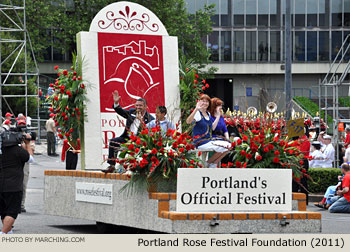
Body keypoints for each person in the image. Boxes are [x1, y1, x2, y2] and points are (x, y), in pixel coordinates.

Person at [103, 90, 154, 173]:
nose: (138, 107)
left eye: (140, 105)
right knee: (113, 141)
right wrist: (116, 103)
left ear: (145, 107)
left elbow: (148, 133)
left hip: (139, 142)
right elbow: (120, 111)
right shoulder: (131, 112)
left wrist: (141, 121)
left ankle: (134, 168)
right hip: (127, 139)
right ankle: (111, 166)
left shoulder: (150, 119)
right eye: (136, 105)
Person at [0, 131, 34, 234]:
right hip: (14, 186)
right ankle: (3, 234)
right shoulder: (18, 151)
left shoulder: (1, 151)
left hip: (1, 186)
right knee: (12, 212)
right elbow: (31, 159)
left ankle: (8, 231)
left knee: (4, 212)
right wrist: (28, 144)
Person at [186, 94, 230, 168]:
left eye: (207, 101)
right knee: (226, 146)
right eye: (203, 101)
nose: (205, 103)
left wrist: (218, 116)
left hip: (208, 140)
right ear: (199, 102)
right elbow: (188, 121)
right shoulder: (197, 114)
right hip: (200, 142)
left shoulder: (208, 114)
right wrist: (196, 109)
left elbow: (212, 128)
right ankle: (209, 163)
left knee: (229, 145)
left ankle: (211, 163)